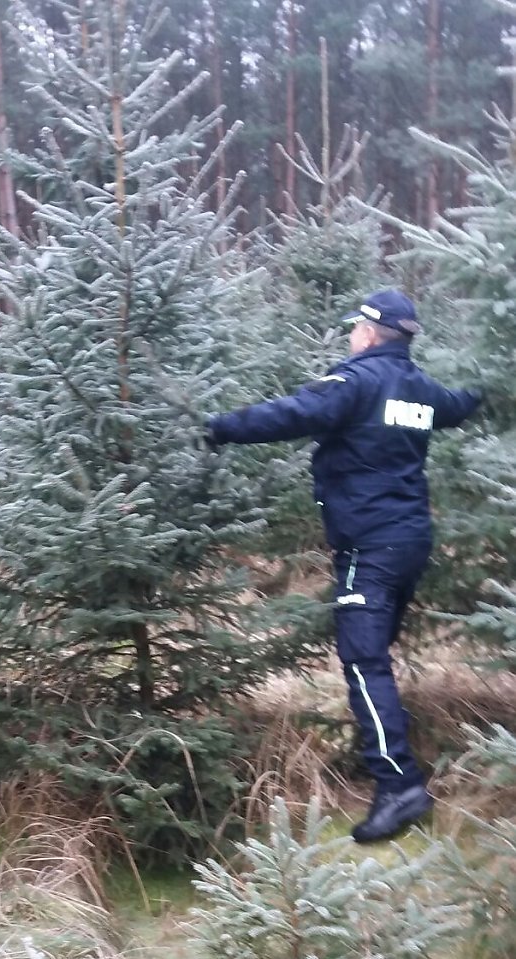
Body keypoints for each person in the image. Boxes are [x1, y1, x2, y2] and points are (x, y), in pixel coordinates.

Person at [205, 289, 480, 843]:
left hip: (370, 549)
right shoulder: (421, 390)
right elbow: (459, 403)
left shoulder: (355, 381)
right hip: (410, 543)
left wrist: (221, 426)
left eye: (357, 328)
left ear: (372, 333)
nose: (351, 336)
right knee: (371, 658)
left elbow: (293, 413)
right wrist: (489, 385)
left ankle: (398, 785)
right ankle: (383, 756)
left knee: (362, 661)